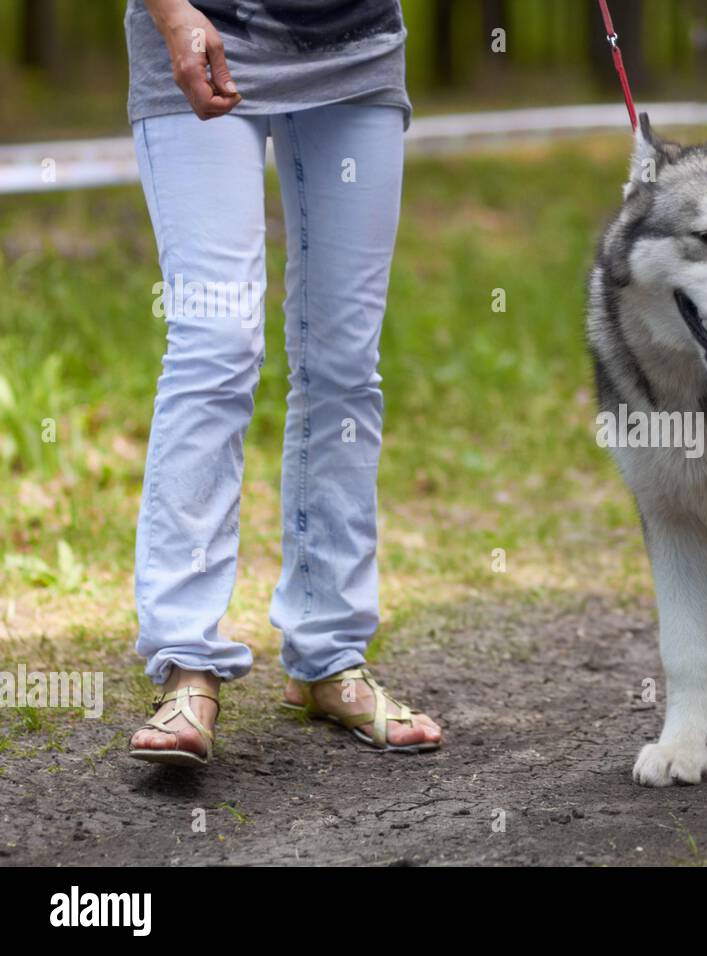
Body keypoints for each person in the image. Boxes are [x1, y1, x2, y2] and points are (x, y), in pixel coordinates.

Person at [125, 0, 440, 765]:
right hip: (203, 23)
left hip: (354, 45)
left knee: (343, 360)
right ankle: (186, 661)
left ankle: (329, 654)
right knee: (215, 343)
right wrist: (171, 15)